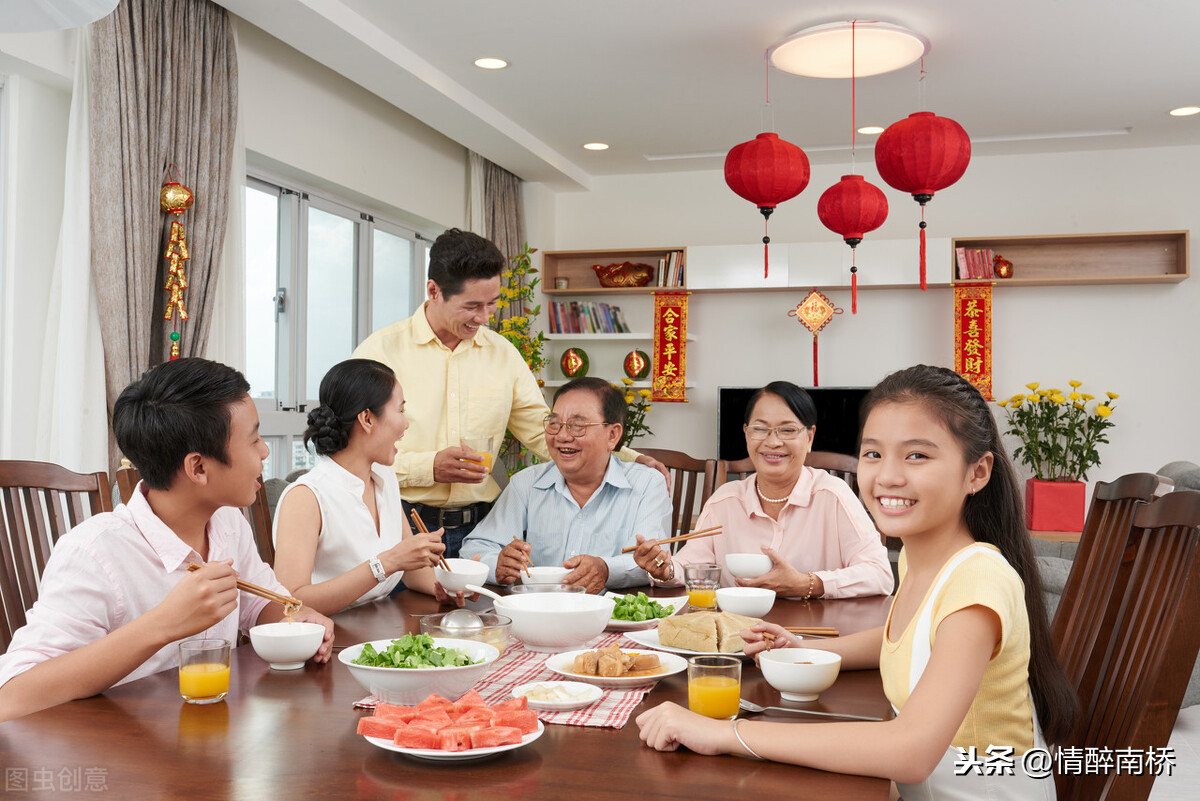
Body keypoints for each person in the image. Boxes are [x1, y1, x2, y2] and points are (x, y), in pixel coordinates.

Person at [635, 365, 1078, 799]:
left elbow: (910, 751)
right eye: (873, 453)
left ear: (977, 473)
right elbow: (909, 641)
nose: (887, 475)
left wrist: (728, 733)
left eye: (917, 455)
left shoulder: (977, 577)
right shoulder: (925, 561)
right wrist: (805, 647)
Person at [0, 359, 335, 723]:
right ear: (198, 468)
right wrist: (164, 623)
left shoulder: (226, 522)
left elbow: (259, 605)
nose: (264, 452)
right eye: (254, 439)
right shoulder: (94, 554)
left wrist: (302, 620)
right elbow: (14, 697)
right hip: (117, 751)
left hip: (206, 738)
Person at [352, 228, 666, 558]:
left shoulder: (502, 353)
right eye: (472, 306)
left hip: (480, 531)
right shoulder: (379, 353)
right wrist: (428, 468)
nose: (485, 318)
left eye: (492, 304)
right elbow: (352, 451)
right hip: (397, 525)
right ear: (433, 291)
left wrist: (631, 459)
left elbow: (540, 428)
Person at [633, 381, 893, 599]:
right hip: (737, 636)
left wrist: (807, 583)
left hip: (812, 641)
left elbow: (879, 574)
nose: (773, 441)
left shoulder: (832, 495)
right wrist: (664, 568)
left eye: (787, 430)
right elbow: (688, 567)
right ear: (746, 433)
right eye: (760, 428)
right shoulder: (724, 501)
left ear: (810, 437)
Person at [272, 359, 450, 616]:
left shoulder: (384, 476)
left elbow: (413, 573)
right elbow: (290, 602)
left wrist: (451, 589)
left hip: (379, 628)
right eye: (400, 411)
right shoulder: (306, 497)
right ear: (367, 418)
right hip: (328, 639)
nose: (406, 424)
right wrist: (386, 564)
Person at [459, 377, 671, 593]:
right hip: (537, 615)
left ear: (613, 435)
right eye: (554, 424)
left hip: (612, 616)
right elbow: (474, 549)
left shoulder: (647, 484)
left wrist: (606, 569)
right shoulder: (526, 483)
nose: (561, 436)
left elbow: (654, 562)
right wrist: (498, 565)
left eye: (577, 426)